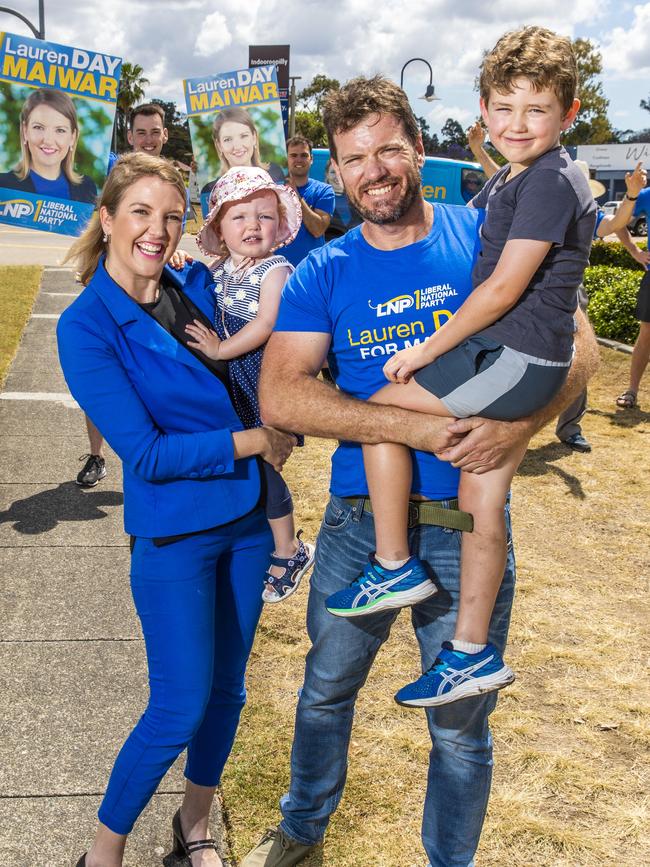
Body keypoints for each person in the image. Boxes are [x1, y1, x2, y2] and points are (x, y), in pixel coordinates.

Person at [242, 73, 598, 867]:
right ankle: (301, 833)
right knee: (326, 692)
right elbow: (283, 395)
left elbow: (582, 345)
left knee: (461, 727)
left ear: (419, 147)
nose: (374, 169)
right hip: (358, 526)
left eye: (389, 149)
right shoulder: (321, 273)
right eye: (355, 157)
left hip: (468, 523)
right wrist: (409, 426)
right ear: (335, 171)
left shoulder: (488, 228)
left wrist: (523, 428)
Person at [323, 27, 596, 711]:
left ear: (570, 113)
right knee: (484, 501)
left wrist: (425, 350)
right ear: (483, 109)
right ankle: (470, 652)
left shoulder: (550, 181)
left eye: (537, 110)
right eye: (504, 108)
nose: (517, 124)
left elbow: (501, 290)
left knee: (386, 404)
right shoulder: (519, 176)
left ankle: (391, 565)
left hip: (516, 358)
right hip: (522, 358)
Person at [57, 152, 295, 867]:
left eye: (169, 215)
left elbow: (274, 283)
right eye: (139, 213)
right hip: (175, 538)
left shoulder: (196, 283)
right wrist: (258, 437)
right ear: (106, 219)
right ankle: (103, 853)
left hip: (248, 522)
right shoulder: (85, 326)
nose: (156, 230)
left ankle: (193, 824)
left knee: (228, 692)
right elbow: (148, 454)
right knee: (176, 707)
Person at [468, 121, 650, 446]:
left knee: (576, 361)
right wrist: (479, 149)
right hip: (522, 293)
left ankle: (570, 428)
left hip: (566, 296)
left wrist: (632, 193)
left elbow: (619, 222)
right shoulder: (533, 194)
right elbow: (501, 175)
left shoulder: (584, 209)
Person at [185, 165, 315, 602]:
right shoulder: (219, 268)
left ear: (279, 226)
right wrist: (185, 259)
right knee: (241, 460)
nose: (252, 226)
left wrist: (221, 350)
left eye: (263, 216)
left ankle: (290, 549)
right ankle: (254, 536)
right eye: (239, 217)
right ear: (221, 227)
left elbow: (266, 322)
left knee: (262, 461)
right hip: (231, 382)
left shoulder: (275, 269)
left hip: (258, 378)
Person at [77, 103, 176, 489]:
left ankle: (156, 452)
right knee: (104, 374)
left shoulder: (171, 181)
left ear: (164, 135)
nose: (148, 140)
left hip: (152, 289)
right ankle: (97, 455)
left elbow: (166, 232)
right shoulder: (112, 173)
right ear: (129, 136)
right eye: (141, 133)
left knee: (150, 376)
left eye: (155, 132)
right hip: (113, 283)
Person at [0, 88, 97, 203]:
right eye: (39, 127)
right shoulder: (3, 186)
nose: (48, 140)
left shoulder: (87, 188)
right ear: (25, 131)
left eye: (60, 130)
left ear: (73, 137)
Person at [201, 107, 285, 202]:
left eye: (244, 136)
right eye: (227, 139)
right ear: (219, 145)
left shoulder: (275, 173)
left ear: (254, 138)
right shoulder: (210, 191)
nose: (237, 146)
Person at [616, 179, 650, 409]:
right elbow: (618, 223)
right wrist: (635, 251)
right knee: (647, 333)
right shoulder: (646, 195)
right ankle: (632, 390)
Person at [281, 136, 335, 267]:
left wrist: (296, 196)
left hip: (310, 270)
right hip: (276, 269)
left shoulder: (324, 191)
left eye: (304, 155)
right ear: (286, 159)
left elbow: (318, 230)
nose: (299, 159)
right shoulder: (273, 189)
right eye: (293, 155)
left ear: (311, 159)